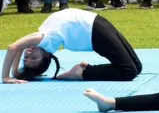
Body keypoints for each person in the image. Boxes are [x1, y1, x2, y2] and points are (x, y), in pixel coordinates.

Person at [3, 9, 141, 82]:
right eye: (34, 59)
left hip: (97, 21)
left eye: (26, 58)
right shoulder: (43, 40)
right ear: (46, 55)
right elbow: (13, 48)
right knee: (129, 71)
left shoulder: (40, 36)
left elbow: (16, 47)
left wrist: (14, 72)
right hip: (94, 33)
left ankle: (82, 71)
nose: (29, 55)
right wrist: (6, 77)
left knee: (137, 67)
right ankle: (82, 72)